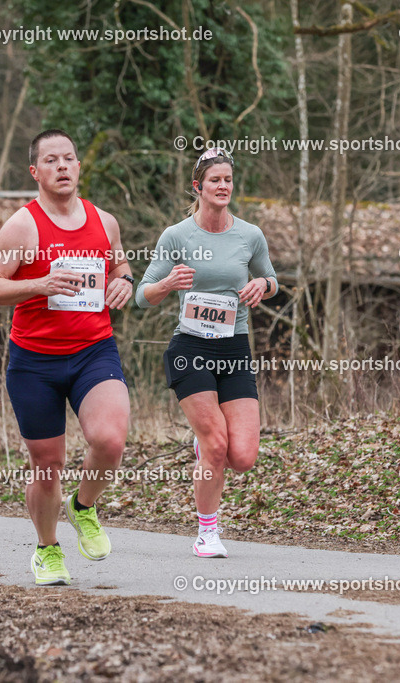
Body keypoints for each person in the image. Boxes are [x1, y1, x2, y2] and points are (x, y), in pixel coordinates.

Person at [0, 129, 133, 585]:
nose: (62, 166)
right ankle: (47, 549)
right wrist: (38, 285)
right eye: (51, 160)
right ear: (35, 171)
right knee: (48, 467)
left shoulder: (105, 221)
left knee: (110, 439)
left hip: (92, 351)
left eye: (69, 158)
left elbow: (118, 267)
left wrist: (122, 280)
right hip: (35, 361)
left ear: (80, 166)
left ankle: (83, 507)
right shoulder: (22, 226)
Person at [136, 148, 278, 558]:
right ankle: (207, 533)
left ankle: (205, 449)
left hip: (234, 348)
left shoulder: (249, 234)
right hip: (191, 348)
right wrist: (167, 285)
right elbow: (143, 296)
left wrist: (262, 287)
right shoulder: (176, 236)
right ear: (198, 187)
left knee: (243, 456)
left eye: (228, 180)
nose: (223, 187)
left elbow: (271, 278)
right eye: (214, 180)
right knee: (216, 444)